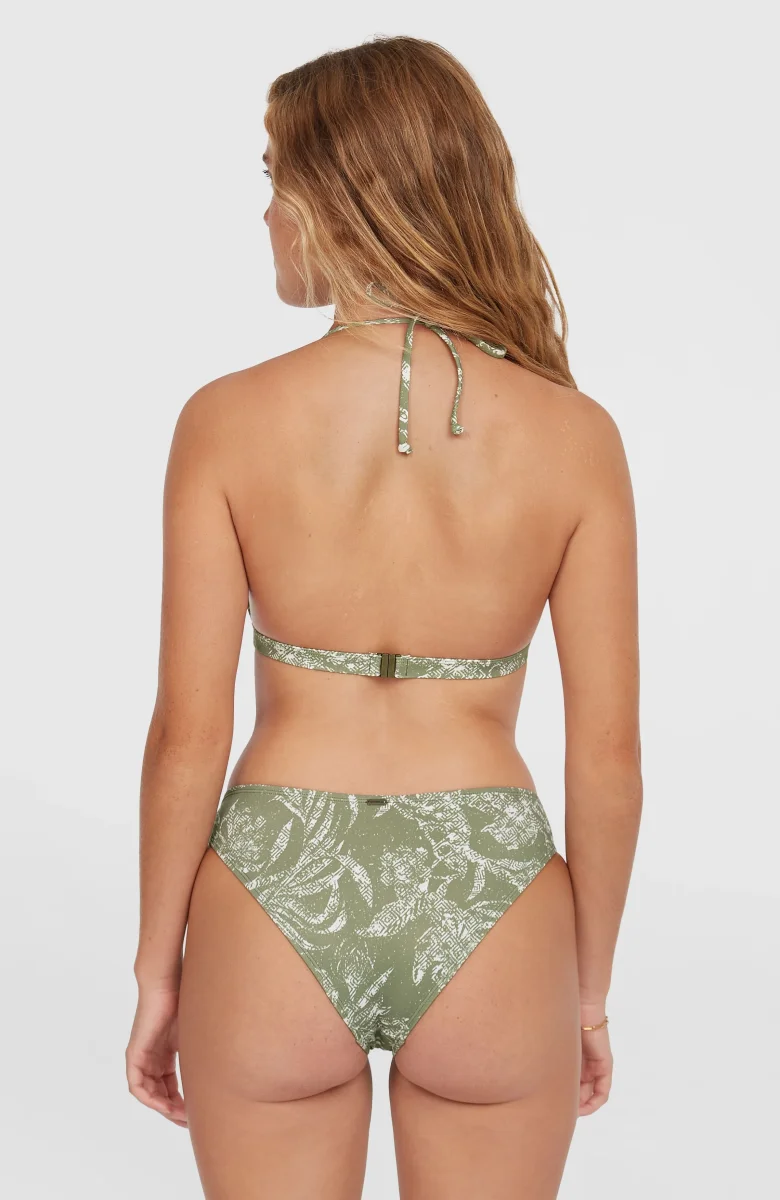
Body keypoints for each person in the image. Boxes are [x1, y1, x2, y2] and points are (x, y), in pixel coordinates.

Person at [126, 34, 642, 1200]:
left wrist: (159, 970)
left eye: (274, 180)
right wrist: (586, 991)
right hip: (491, 887)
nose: (266, 215)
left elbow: (185, 738)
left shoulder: (225, 420)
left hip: (274, 879)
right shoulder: (576, 437)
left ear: (333, 197)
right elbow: (608, 759)